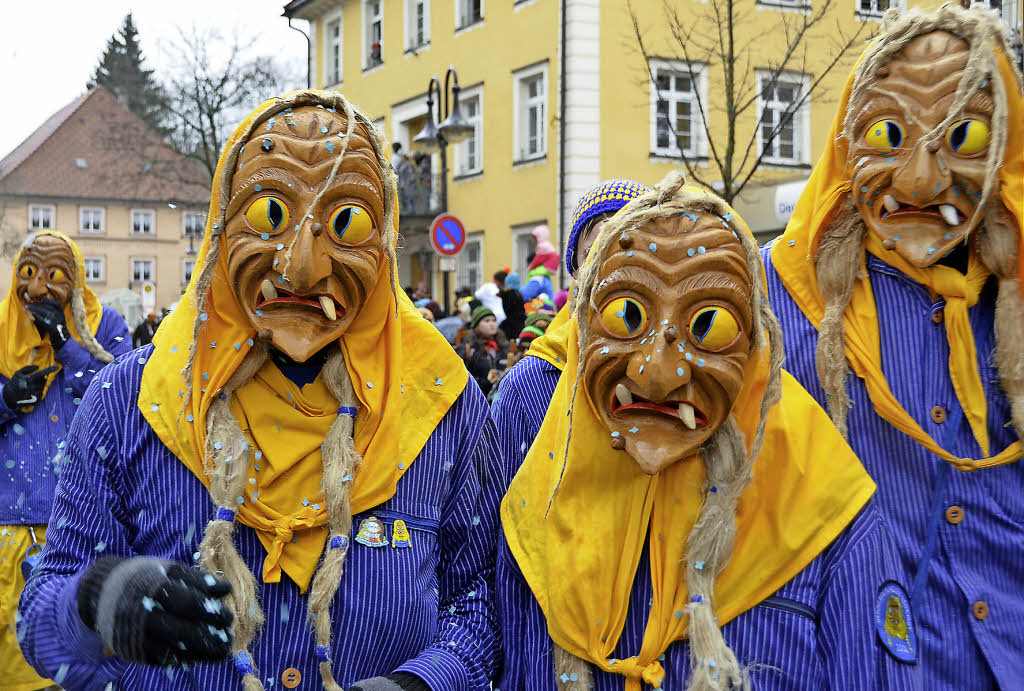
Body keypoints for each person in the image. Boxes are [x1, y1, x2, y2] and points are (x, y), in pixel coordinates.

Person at [18, 90, 501, 691]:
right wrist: (96, 602)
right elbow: (38, 630)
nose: (302, 265)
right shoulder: (132, 401)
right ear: (222, 227)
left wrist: (422, 683)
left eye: (345, 224)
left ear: (384, 242)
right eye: (270, 214)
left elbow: (480, 604)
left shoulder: (442, 408)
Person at [495, 172, 919, 690]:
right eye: (626, 314)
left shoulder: (825, 504)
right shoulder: (538, 504)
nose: (656, 372)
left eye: (709, 325)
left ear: (756, 339)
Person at [761, 6, 1023, 687]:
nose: (918, 180)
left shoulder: (1016, 287)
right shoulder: (779, 296)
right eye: (888, 133)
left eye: (962, 135)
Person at [0, 231, 131, 691]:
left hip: (86, 532)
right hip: (10, 533)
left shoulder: (105, 324)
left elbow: (128, 401)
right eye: (27, 274)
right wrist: (6, 398)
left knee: (86, 667)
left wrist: (66, 346)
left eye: (53, 276)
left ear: (74, 281)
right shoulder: (2, 331)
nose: (37, 289)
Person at [456, 305, 509, 397]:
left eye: (494, 320)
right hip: (478, 396)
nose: (492, 324)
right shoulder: (469, 348)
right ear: (476, 325)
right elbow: (462, 375)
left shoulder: (503, 344)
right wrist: (486, 382)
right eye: (487, 321)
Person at [520, 225, 559, 301]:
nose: (533, 242)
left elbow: (526, 295)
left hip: (540, 311)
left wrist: (530, 268)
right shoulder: (545, 278)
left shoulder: (538, 277)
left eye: (534, 239)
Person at [494, 270, 526, 341]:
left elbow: (508, 310)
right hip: (520, 323)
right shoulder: (519, 294)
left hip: (511, 326)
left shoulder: (508, 295)